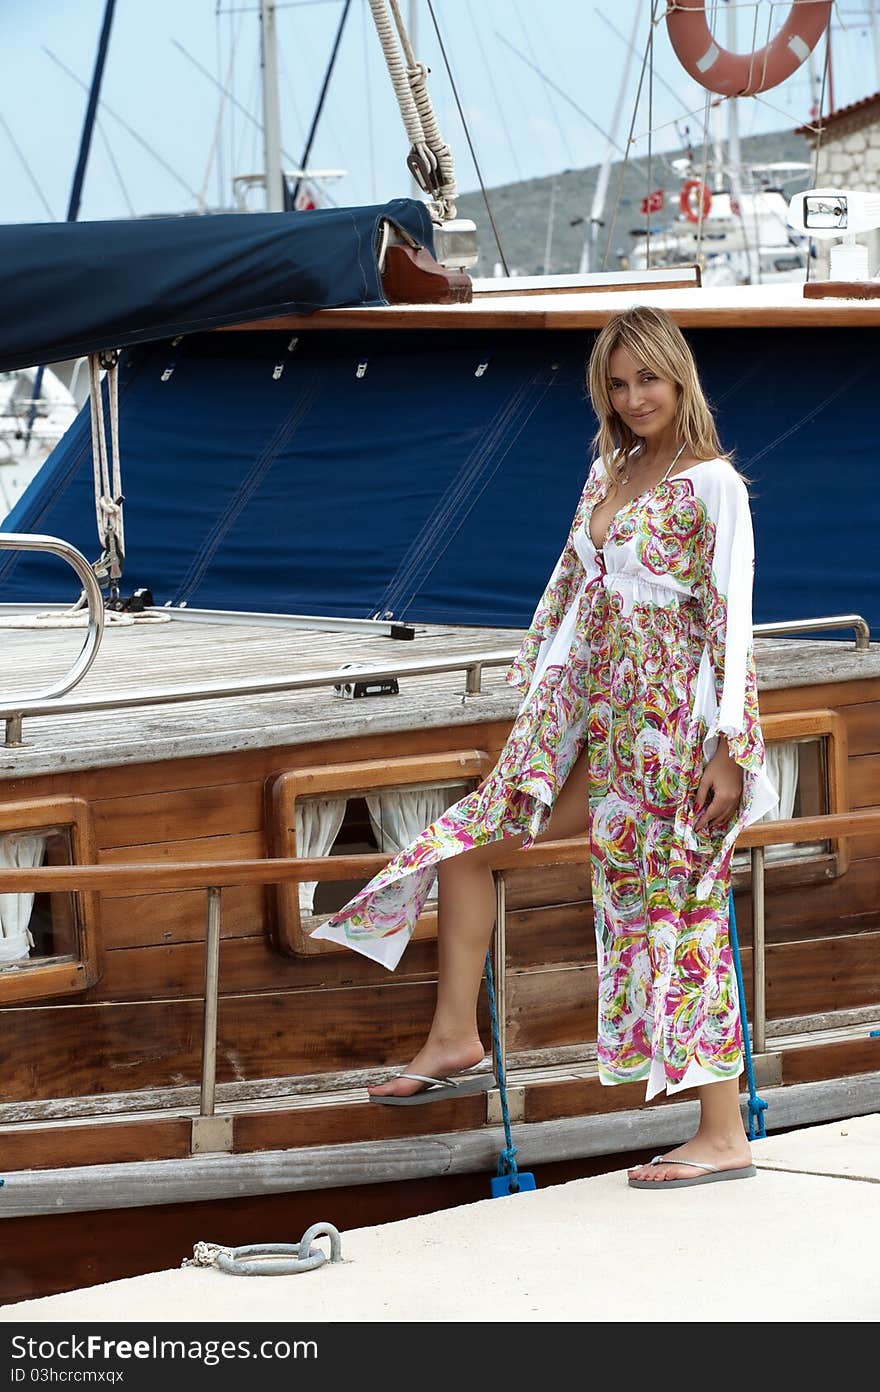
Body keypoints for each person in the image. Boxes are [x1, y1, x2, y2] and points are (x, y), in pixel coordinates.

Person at [311, 304, 777, 1189]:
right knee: (466, 846)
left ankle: (722, 1134)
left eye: (649, 378)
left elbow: (733, 620)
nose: (636, 396)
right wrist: (540, 708)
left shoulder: (715, 483)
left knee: (679, 915)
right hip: (598, 728)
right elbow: (571, 598)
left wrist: (730, 748)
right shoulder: (610, 471)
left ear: (680, 375)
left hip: (676, 730)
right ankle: (454, 1034)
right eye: (619, 381)